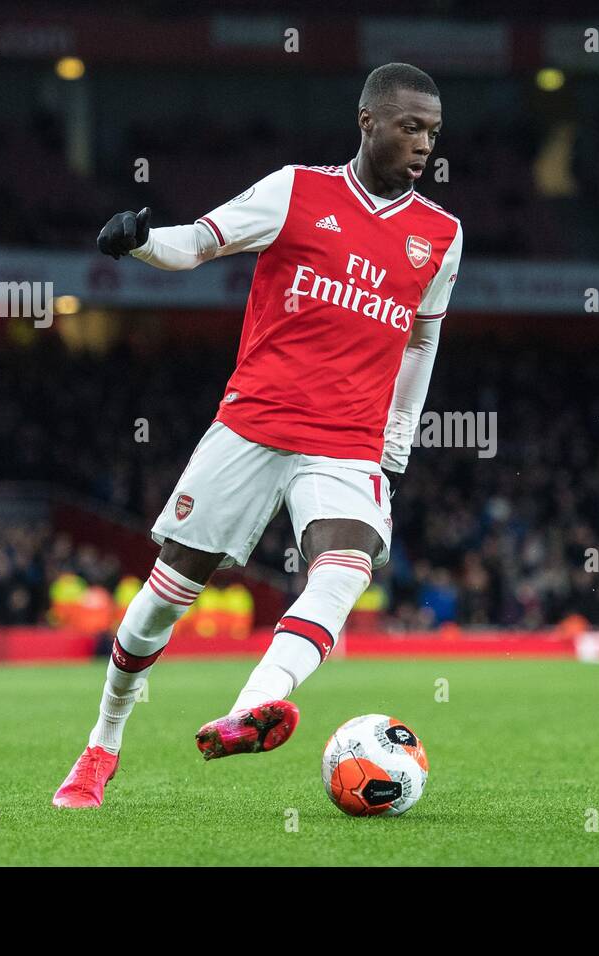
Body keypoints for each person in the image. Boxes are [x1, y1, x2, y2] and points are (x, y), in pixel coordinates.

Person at [53, 62, 462, 807]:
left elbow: (421, 343)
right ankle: (99, 747)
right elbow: (199, 243)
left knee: (344, 569)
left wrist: (396, 439)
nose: (423, 143)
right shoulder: (296, 190)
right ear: (368, 120)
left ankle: (251, 707)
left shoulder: (441, 235)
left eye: (432, 131)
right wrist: (140, 243)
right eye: (410, 126)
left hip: (346, 442)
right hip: (253, 425)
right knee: (166, 598)